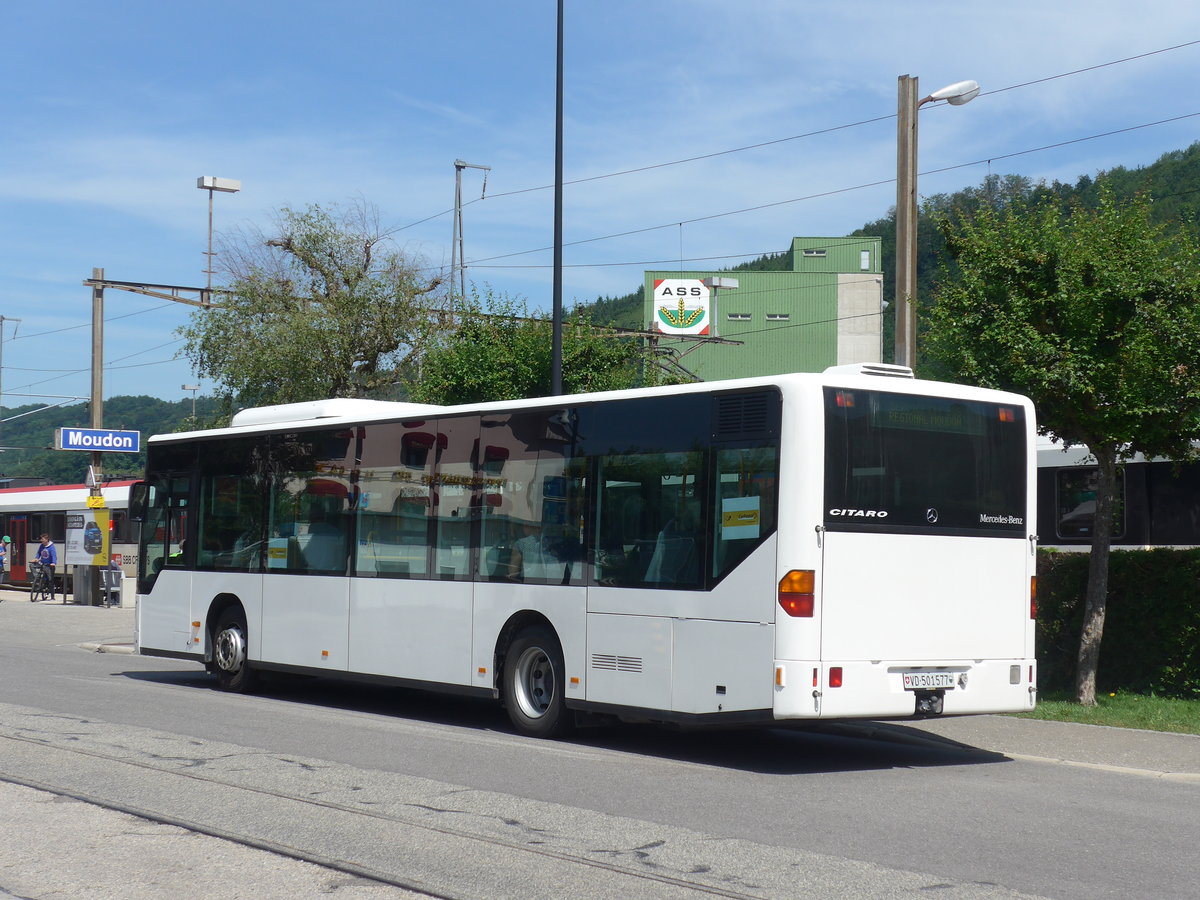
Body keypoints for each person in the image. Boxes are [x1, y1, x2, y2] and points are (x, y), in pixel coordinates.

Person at [37, 533, 57, 602]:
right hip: (43, 564)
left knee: (50, 580)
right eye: (41, 539)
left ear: (46, 540)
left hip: (49, 565)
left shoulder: (51, 547)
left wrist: (53, 563)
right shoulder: (41, 546)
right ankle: (37, 581)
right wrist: (36, 558)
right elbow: (38, 553)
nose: (41, 540)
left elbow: (54, 555)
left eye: (42, 539)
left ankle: (52, 597)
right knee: (32, 565)